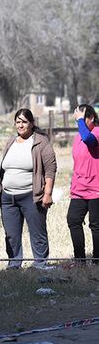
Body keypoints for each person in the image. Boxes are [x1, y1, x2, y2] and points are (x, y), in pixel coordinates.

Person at [0, 109, 56, 270]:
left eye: (24, 122)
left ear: (31, 123)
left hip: (31, 196)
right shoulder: (11, 141)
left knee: (37, 232)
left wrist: (48, 193)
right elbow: (4, 167)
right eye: (18, 122)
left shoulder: (40, 142)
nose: (21, 125)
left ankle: (40, 263)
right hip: (8, 198)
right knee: (11, 235)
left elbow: (50, 169)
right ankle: (14, 264)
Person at [68, 104, 99, 264]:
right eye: (77, 118)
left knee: (96, 225)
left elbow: (89, 140)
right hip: (79, 189)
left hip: (96, 189)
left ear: (91, 118)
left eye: (82, 118)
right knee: (73, 220)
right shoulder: (77, 137)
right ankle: (80, 260)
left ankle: (97, 260)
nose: (78, 122)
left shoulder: (97, 132)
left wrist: (80, 120)